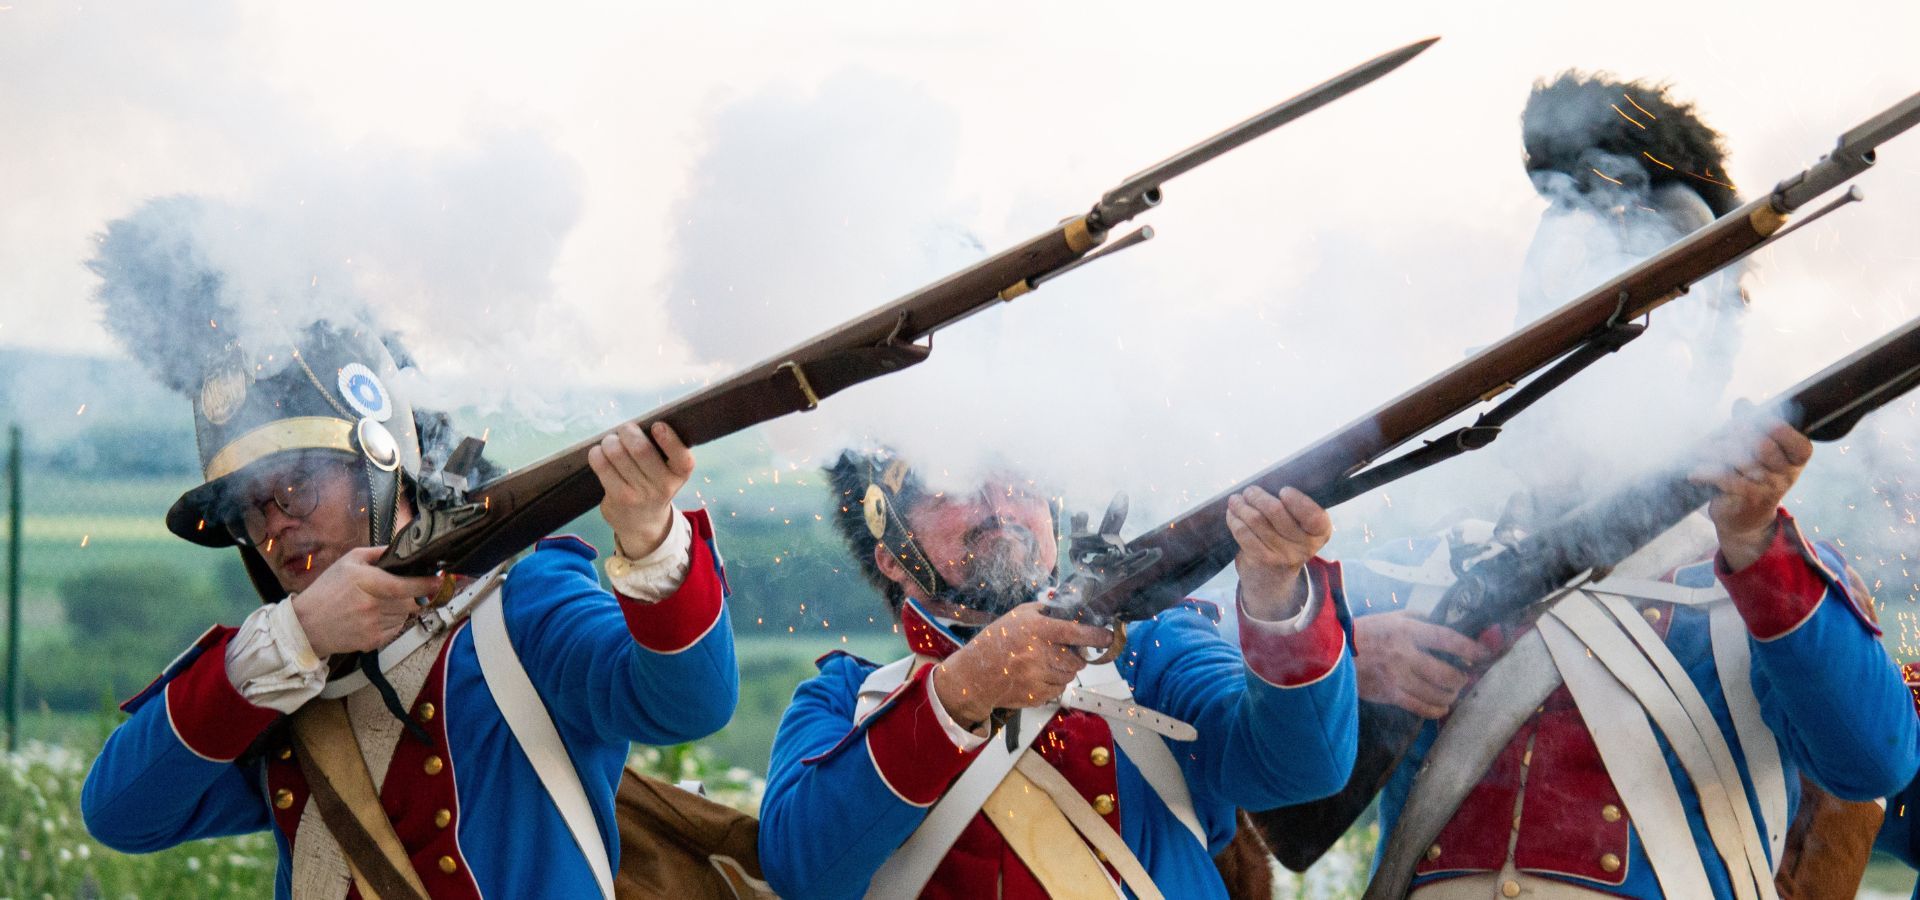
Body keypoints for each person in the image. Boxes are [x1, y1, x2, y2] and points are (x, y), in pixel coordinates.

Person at [1334, 73, 1919, 899]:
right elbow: (1262, 781)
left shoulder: (1776, 582)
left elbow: (1873, 761)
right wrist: (1344, 666)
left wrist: (1756, 547)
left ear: (1705, 357)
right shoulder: (1408, 581)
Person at [78, 316, 737, 899]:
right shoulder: (275, 670)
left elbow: (690, 702)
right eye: (254, 506)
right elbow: (120, 813)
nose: (275, 527)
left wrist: (650, 534)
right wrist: (299, 637)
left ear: (379, 464)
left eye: (296, 487)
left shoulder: (521, 604)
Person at [756, 450, 1358, 899]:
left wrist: (1276, 589)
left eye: (1018, 483)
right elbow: (801, 869)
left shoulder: (1151, 649)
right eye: (951, 491)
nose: (998, 509)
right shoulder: (845, 700)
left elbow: (1302, 766)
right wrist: (964, 691)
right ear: (892, 553)